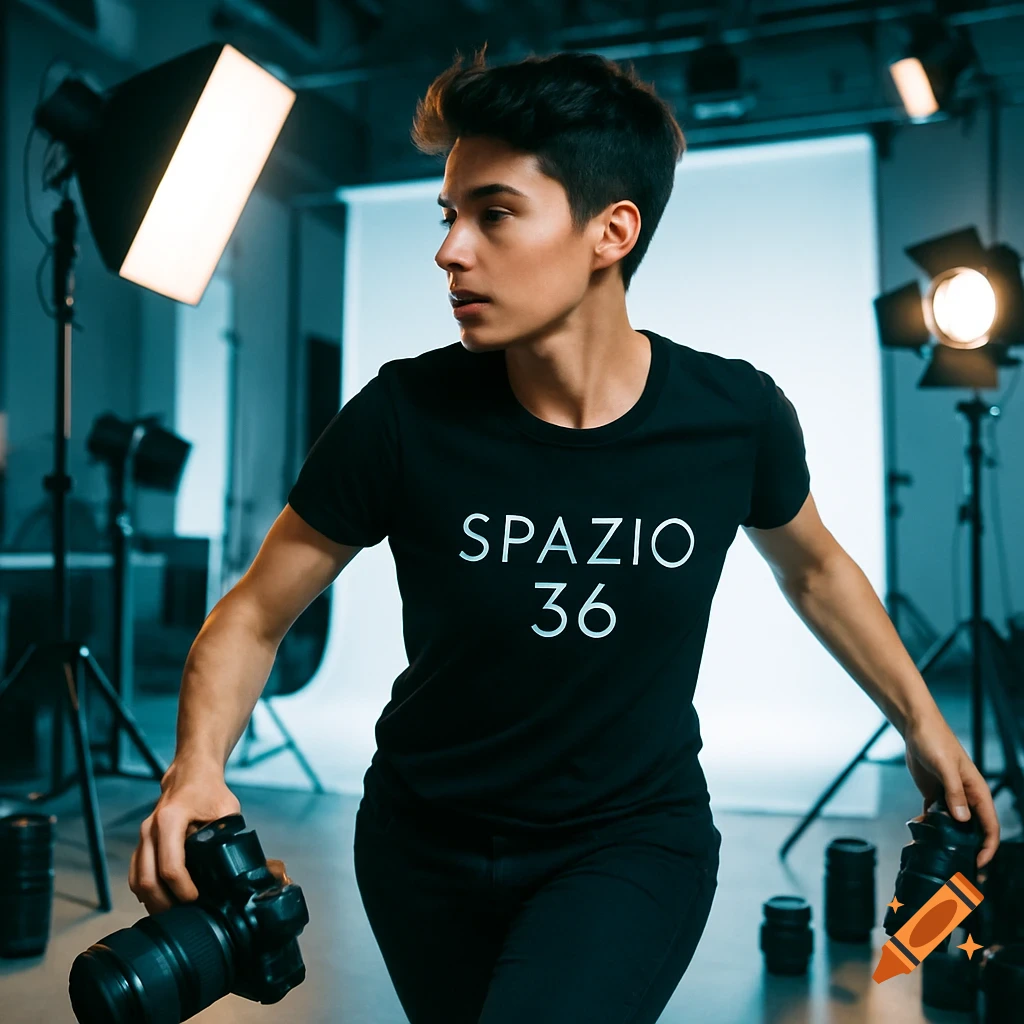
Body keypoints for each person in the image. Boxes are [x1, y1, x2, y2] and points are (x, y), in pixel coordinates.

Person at [130, 45, 1000, 1024]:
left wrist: (923, 725)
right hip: (421, 846)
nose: (451, 249)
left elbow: (814, 570)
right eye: (448, 215)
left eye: (493, 213)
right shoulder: (400, 416)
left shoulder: (733, 415)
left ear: (610, 231)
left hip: (629, 841)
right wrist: (196, 767)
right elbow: (253, 613)